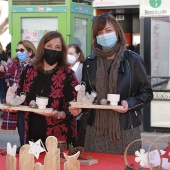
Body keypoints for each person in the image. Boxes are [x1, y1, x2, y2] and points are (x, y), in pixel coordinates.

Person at [69, 12, 153, 154]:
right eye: (99, 32)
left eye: (108, 31)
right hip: (95, 131)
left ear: (117, 32)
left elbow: (147, 92)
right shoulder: (90, 62)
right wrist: (79, 108)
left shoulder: (133, 60)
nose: (104, 35)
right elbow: (87, 95)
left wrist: (130, 103)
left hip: (126, 130)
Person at [13, 31, 78, 146]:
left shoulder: (68, 74)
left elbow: (76, 106)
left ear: (62, 51)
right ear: (42, 47)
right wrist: (13, 106)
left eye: (58, 47)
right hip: (32, 135)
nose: (53, 50)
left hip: (59, 138)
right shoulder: (28, 70)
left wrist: (58, 114)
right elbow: (19, 97)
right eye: (49, 46)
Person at [1, 40, 36, 150]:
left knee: (33, 134)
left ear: (30, 52)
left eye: (22, 50)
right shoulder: (13, 65)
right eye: (18, 50)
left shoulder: (36, 66)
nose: (19, 52)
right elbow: (6, 79)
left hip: (32, 105)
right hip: (18, 105)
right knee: (22, 131)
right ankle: (25, 153)